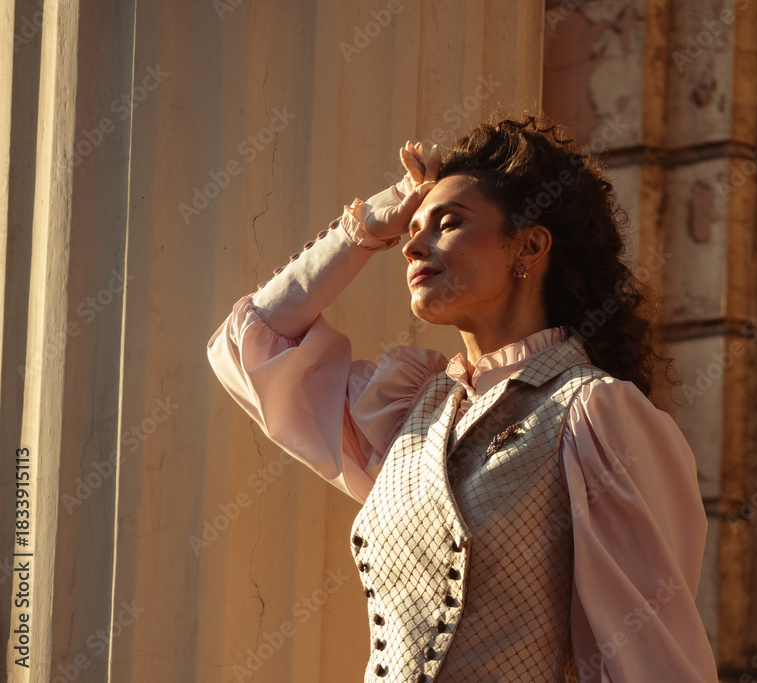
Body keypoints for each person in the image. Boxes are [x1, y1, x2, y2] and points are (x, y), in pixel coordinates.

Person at [207, 116, 719, 682]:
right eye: (412, 233)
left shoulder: (596, 415)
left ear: (529, 244)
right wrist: (370, 228)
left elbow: (649, 656)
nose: (414, 246)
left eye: (447, 224)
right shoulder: (408, 413)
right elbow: (249, 348)